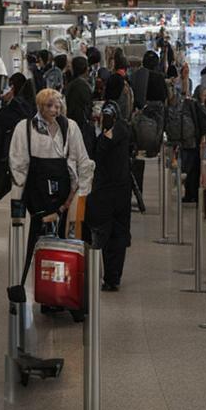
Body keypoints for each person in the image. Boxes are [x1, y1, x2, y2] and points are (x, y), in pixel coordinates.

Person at [9, 88, 95, 293]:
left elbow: (82, 161)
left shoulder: (70, 127)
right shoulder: (25, 128)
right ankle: (39, 289)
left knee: (65, 247)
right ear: (39, 106)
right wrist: (18, 198)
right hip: (35, 199)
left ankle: (61, 293)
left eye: (58, 105)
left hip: (66, 198)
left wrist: (81, 193)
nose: (54, 109)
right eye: (49, 105)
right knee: (36, 247)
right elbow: (17, 163)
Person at [87, 102, 133, 291]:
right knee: (118, 233)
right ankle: (113, 277)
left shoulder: (99, 136)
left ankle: (98, 274)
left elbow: (96, 154)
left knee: (100, 233)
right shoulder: (124, 129)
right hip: (122, 190)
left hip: (103, 191)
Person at [64, 56, 95, 147]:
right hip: (81, 128)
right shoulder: (83, 86)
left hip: (71, 124)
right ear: (86, 69)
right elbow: (87, 108)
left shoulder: (71, 85)